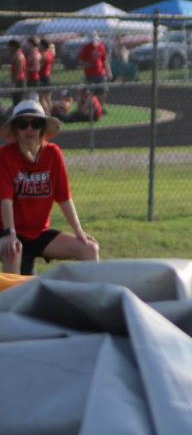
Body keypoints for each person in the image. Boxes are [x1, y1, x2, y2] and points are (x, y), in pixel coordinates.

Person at [0, 100, 100, 276]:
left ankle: (91, 302)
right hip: (9, 231)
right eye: (23, 125)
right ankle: (10, 302)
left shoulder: (53, 154)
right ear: (16, 130)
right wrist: (9, 234)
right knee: (12, 251)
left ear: (43, 129)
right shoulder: (5, 156)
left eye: (36, 124)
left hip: (39, 233)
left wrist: (79, 231)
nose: (30, 130)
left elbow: (64, 197)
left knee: (90, 249)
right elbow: (5, 200)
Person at [77, 32, 111, 103]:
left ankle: (100, 107)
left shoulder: (101, 47)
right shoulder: (86, 48)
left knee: (103, 91)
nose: (93, 42)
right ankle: (92, 107)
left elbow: (105, 61)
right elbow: (80, 60)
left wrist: (109, 72)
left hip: (100, 74)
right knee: (90, 92)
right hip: (90, 74)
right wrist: (86, 64)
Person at [37, 38, 55, 112]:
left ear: (42, 46)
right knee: (48, 98)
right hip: (48, 77)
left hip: (44, 78)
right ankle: (50, 113)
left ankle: (47, 113)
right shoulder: (50, 53)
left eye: (40, 45)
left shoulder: (43, 55)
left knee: (41, 98)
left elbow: (39, 67)